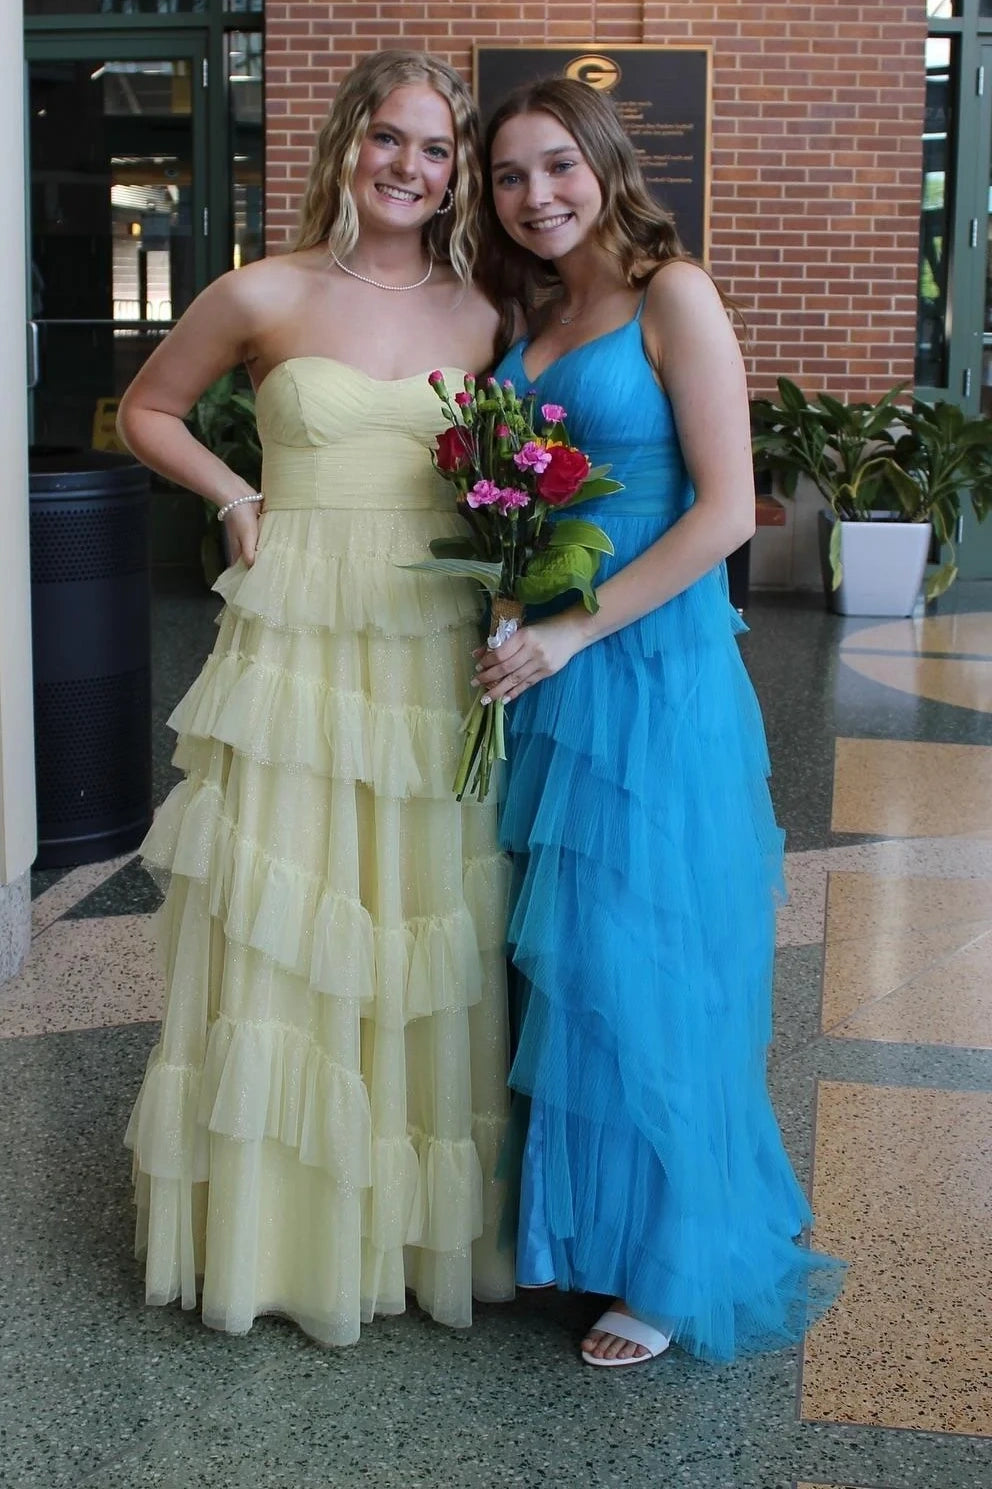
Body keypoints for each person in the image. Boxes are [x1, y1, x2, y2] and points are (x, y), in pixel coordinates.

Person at [118, 50, 515, 1347]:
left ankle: (399, 1233)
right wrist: (235, 492)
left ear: (457, 173)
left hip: (427, 648)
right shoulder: (262, 291)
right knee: (285, 917)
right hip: (294, 647)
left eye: (436, 149)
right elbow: (148, 411)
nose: (410, 167)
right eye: (389, 138)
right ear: (348, 141)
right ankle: (277, 1236)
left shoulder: (485, 311)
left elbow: (510, 475)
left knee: (414, 918)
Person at [475, 78, 844, 1367]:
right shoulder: (537, 313)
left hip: (645, 664)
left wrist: (577, 628)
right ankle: (590, 1233)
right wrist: (513, 602)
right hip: (551, 663)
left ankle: (677, 1262)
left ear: (607, 164)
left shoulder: (672, 294)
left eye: (557, 166)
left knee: (652, 954)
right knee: (571, 961)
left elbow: (728, 509)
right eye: (510, 175)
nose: (536, 195)